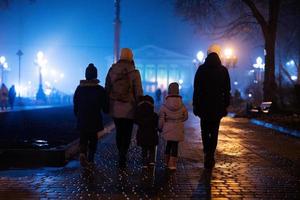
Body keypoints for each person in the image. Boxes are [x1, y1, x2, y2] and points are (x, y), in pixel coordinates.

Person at [105, 48, 143, 168]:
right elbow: (139, 92)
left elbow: (107, 88)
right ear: (131, 56)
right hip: (129, 107)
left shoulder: (112, 70)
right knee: (127, 133)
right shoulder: (134, 72)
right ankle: (123, 154)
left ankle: (120, 152)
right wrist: (139, 105)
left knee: (119, 131)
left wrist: (108, 102)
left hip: (115, 106)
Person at [193, 49, 231, 169]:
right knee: (214, 132)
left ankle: (206, 152)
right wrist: (226, 104)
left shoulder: (201, 70)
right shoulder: (223, 70)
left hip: (204, 106)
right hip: (217, 106)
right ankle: (211, 153)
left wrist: (195, 104)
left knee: (204, 131)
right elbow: (227, 90)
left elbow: (197, 89)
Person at [73, 63, 108, 167]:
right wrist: (107, 110)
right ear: (96, 75)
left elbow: (76, 103)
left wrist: (78, 114)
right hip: (94, 118)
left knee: (83, 137)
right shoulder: (100, 90)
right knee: (93, 139)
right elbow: (104, 105)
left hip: (82, 118)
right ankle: (91, 159)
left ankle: (83, 153)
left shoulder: (79, 88)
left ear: (86, 75)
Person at [159, 82, 188, 170]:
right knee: (175, 146)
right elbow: (186, 117)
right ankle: (172, 165)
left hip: (168, 127)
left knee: (168, 145)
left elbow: (161, 118)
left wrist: (160, 128)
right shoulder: (182, 105)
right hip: (178, 127)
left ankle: (166, 161)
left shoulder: (165, 104)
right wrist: (179, 121)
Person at [135, 95, 158, 168]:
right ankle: (151, 160)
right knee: (152, 148)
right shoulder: (154, 115)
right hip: (152, 134)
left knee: (144, 148)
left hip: (142, 134)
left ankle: (144, 162)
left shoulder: (139, 114)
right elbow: (157, 123)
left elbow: (136, 121)